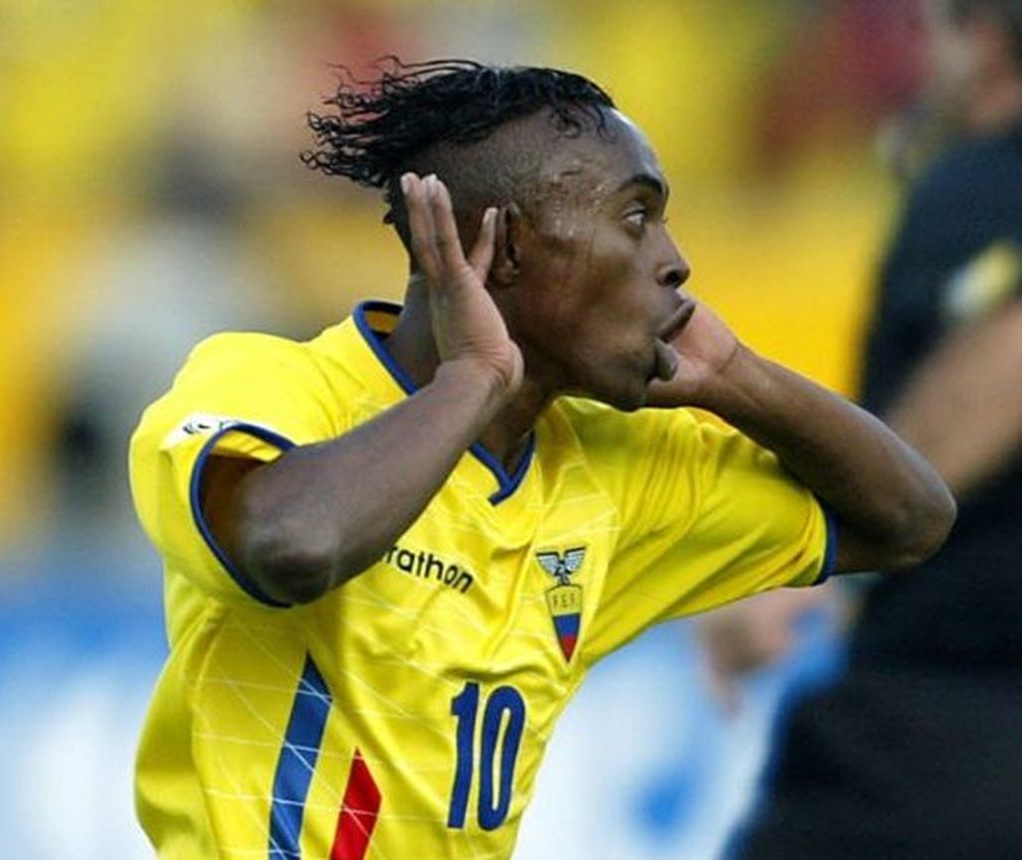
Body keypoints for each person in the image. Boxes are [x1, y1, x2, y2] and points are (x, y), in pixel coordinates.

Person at [127, 59, 954, 859]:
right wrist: (475, 377)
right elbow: (292, 544)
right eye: (636, 217)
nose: (674, 260)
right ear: (506, 248)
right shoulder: (273, 385)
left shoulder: (610, 468)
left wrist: (737, 378)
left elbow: (909, 521)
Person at [704, 2, 1022, 857]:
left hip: (952, 717)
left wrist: (824, 541)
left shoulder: (984, 182)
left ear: (983, 42)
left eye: (930, 33)